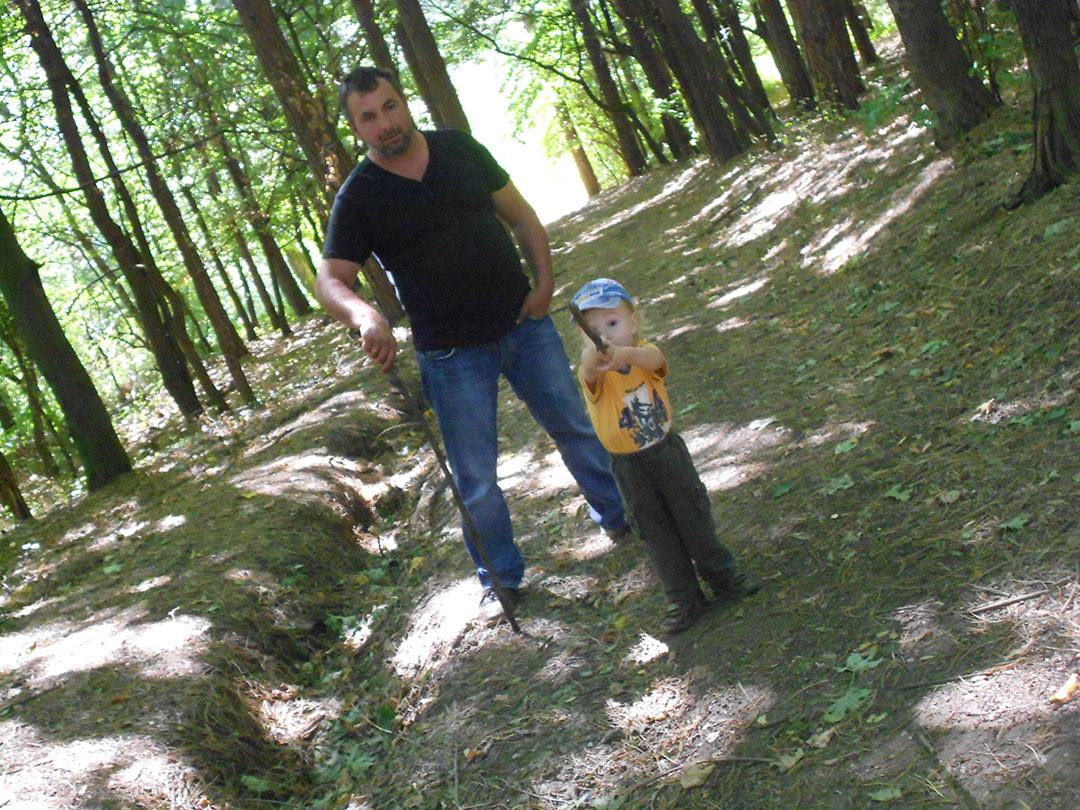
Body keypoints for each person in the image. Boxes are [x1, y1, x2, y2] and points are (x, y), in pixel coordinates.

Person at [316, 66, 628, 625]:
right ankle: (501, 579)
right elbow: (331, 280)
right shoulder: (359, 196)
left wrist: (543, 285)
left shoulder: (459, 149)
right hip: (450, 354)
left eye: (390, 107)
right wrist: (366, 315)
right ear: (356, 129)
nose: (384, 123)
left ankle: (624, 516)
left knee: (576, 429)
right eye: (368, 117)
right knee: (477, 480)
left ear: (404, 102)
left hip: (523, 326)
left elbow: (522, 215)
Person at [572, 278, 759, 634]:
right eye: (592, 331)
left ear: (633, 322)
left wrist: (625, 355)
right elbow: (588, 367)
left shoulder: (644, 354)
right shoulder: (592, 375)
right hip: (629, 466)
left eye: (612, 323)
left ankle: (722, 576)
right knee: (654, 531)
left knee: (693, 514)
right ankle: (683, 597)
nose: (604, 336)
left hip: (666, 452)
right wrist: (595, 356)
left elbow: (656, 359)